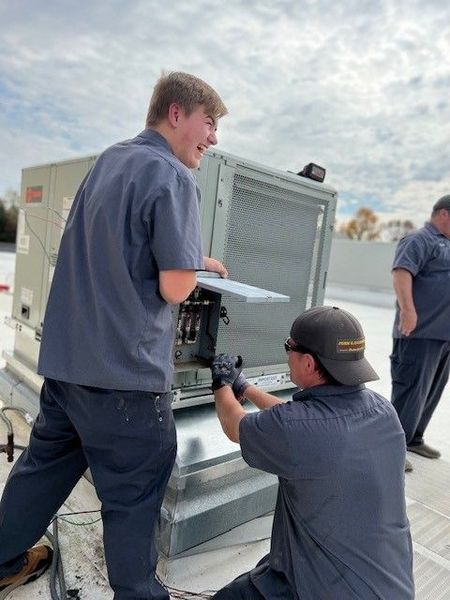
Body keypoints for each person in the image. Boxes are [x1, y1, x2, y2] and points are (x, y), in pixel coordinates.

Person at [0, 72, 228, 599]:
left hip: (68, 368)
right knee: (133, 499)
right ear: (177, 114)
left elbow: (122, 249)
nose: (213, 138)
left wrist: (193, 258)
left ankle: (4, 559)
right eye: (209, 123)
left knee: (41, 473)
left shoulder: (111, 161)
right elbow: (174, 289)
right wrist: (191, 268)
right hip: (125, 381)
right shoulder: (173, 176)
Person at [210, 306, 414, 600]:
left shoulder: (297, 430)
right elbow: (301, 423)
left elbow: (234, 425)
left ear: (307, 363)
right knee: (263, 571)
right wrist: (245, 388)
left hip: (322, 588)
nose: (286, 353)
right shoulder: (383, 411)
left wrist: (221, 384)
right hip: (389, 587)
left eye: (288, 347)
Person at [391, 195, 450, 472]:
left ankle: (414, 438)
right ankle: (392, 449)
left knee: (431, 392)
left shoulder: (447, 245)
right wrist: (408, 310)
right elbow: (402, 272)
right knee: (410, 391)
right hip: (418, 332)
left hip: (443, 336)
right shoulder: (419, 240)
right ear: (444, 214)